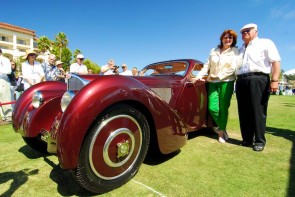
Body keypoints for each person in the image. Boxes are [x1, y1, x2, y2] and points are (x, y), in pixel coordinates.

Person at [235, 23, 281, 151]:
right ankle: (247, 139)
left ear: (256, 31)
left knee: (258, 110)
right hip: (241, 80)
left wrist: (275, 80)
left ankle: (259, 140)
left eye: (247, 30)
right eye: (242, 32)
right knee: (244, 111)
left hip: (258, 78)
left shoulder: (266, 43)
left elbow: (275, 61)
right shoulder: (240, 49)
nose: (245, 33)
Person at [194, 29, 239, 143]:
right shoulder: (214, 50)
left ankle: (221, 133)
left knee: (223, 108)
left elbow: (233, 68)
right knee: (212, 108)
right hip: (212, 82)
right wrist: (199, 76)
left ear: (233, 40)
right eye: (226, 37)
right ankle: (222, 129)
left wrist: (218, 76)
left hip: (227, 81)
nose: (228, 39)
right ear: (221, 38)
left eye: (230, 38)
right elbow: (206, 65)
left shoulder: (235, 51)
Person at [0, 49, 13, 121]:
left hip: (3, 79)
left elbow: (8, 71)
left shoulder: (5, 59)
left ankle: (9, 115)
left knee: (5, 98)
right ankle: (3, 116)